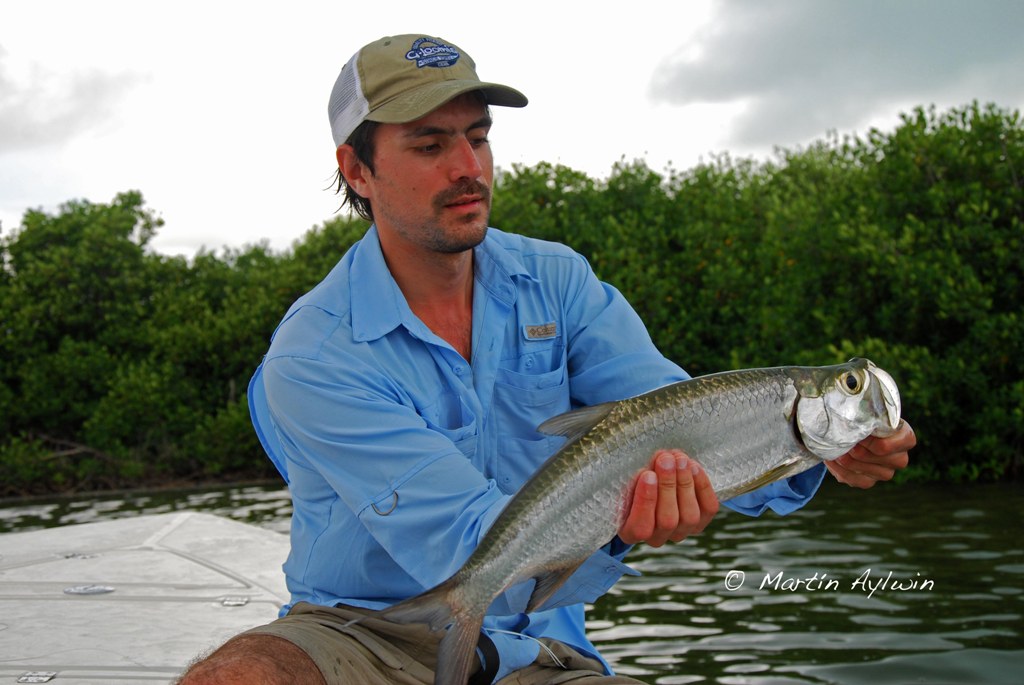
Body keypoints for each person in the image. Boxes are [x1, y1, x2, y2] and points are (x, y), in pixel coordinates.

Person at [178, 34, 915, 685]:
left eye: (479, 136)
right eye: (430, 145)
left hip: (540, 645)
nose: (469, 167)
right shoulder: (313, 352)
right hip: (361, 631)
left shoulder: (560, 283)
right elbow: (464, 544)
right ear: (358, 169)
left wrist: (823, 453)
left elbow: (687, 418)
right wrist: (620, 521)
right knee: (237, 677)